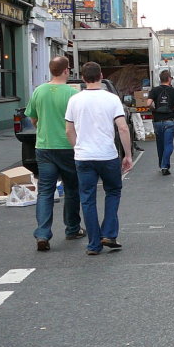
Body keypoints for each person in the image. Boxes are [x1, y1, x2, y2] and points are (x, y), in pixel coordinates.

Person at [65, 62, 133, 256]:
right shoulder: (111, 99)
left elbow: (69, 130)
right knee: (113, 191)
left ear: (83, 78)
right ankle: (109, 234)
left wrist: (77, 148)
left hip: (84, 156)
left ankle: (94, 244)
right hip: (107, 155)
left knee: (87, 199)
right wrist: (127, 155)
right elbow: (122, 127)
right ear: (101, 76)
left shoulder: (75, 100)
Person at [25, 56, 85, 251]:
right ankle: (72, 228)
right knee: (71, 189)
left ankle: (42, 233)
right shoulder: (72, 94)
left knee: (45, 191)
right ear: (66, 70)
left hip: (44, 146)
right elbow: (78, 122)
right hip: (67, 147)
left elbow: (33, 119)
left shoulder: (39, 91)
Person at [147, 70, 174, 175]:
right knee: (168, 144)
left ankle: (162, 165)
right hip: (169, 121)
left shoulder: (154, 90)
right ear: (169, 79)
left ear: (160, 79)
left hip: (157, 121)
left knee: (160, 144)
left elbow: (148, 103)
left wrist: (154, 109)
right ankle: (165, 166)